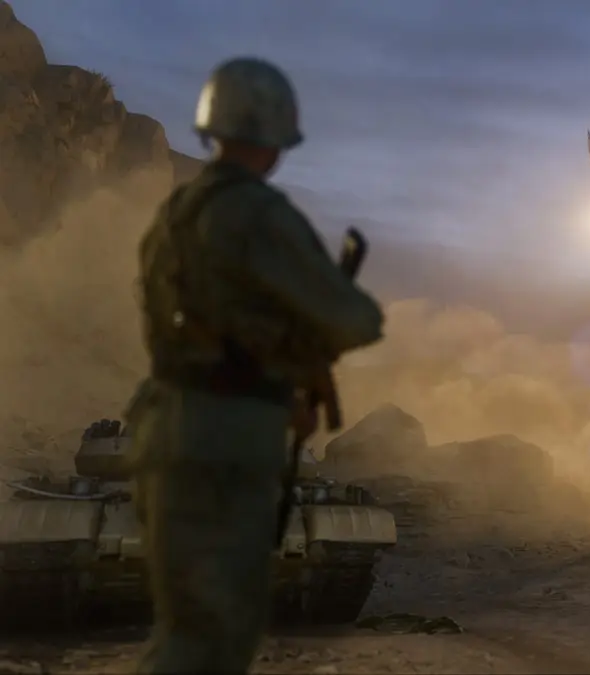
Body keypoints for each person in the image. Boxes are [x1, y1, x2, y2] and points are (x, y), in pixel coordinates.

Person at [126, 57, 384, 674]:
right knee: (213, 636)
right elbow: (355, 318)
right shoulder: (260, 213)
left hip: (163, 423)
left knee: (183, 624)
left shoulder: (171, 218)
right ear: (273, 140)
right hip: (228, 435)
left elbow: (175, 320)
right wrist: (291, 352)